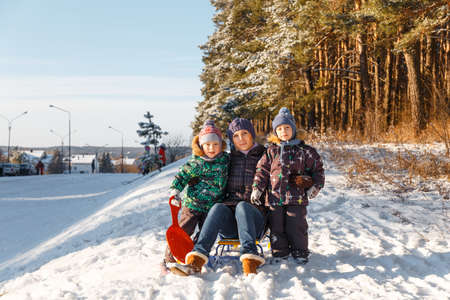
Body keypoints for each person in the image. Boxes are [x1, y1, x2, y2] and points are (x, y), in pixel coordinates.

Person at [171, 118, 310, 276]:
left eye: (244, 133)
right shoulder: (227, 159)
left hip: (255, 220)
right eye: (236, 135)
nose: (241, 138)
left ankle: (250, 260)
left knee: (243, 206)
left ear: (251, 134)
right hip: (230, 224)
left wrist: (297, 179)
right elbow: (206, 164)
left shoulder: (267, 155)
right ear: (231, 139)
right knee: (217, 207)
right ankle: (195, 262)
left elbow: (284, 171)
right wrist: (197, 179)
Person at [251, 107, 325, 264]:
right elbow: (261, 170)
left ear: (293, 129)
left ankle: (300, 251)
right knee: (276, 226)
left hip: (296, 197)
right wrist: (257, 188)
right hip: (274, 198)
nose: (283, 131)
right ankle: (280, 251)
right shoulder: (271, 151)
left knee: (296, 224)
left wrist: (315, 186)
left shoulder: (305, 151)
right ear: (275, 132)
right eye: (279, 128)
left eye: (286, 127)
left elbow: (318, 169)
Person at [162, 120, 229, 271]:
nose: (211, 148)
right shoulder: (195, 162)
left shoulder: (225, 160)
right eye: (207, 145)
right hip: (193, 205)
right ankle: (169, 260)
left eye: (215, 144)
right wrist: (175, 191)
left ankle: (194, 256)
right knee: (183, 230)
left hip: (212, 208)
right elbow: (181, 177)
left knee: (205, 234)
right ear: (201, 146)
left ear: (221, 145)